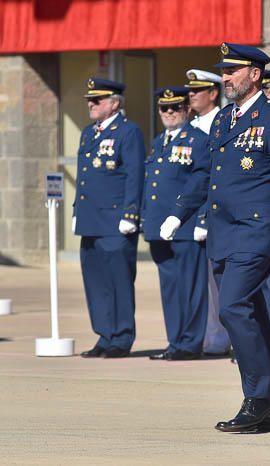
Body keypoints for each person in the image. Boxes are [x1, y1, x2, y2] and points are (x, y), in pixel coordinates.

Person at [160, 43, 270, 432]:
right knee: (250, 313)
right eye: (223, 72)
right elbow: (205, 173)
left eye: (233, 71)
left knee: (232, 307)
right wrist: (179, 212)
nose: (225, 78)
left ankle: (256, 399)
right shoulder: (224, 120)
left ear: (255, 74)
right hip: (224, 233)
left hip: (258, 230)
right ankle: (264, 408)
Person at [74, 78, 145, 359]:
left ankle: (122, 337)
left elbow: (134, 174)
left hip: (116, 222)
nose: (91, 104)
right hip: (91, 221)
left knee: (118, 282)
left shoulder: (128, 132)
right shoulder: (88, 134)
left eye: (98, 100)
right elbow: (84, 179)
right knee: (96, 283)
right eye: (89, 100)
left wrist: (130, 213)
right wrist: (76, 212)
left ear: (115, 103)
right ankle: (104, 335)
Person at [141, 87, 209, 361]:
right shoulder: (159, 141)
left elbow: (203, 181)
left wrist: (203, 219)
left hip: (186, 225)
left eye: (176, 107)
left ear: (187, 110)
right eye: (164, 109)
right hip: (159, 226)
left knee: (190, 288)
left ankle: (190, 344)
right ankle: (175, 341)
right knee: (170, 288)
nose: (170, 113)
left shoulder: (198, 140)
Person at [184, 69, 231, 357]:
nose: (191, 95)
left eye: (197, 90)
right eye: (190, 91)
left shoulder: (223, 122)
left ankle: (227, 338)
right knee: (205, 286)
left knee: (225, 284)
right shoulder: (191, 126)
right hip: (192, 217)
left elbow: (216, 176)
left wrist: (203, 216)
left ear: (213, 93)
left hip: (216, 215)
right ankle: (211, 337)